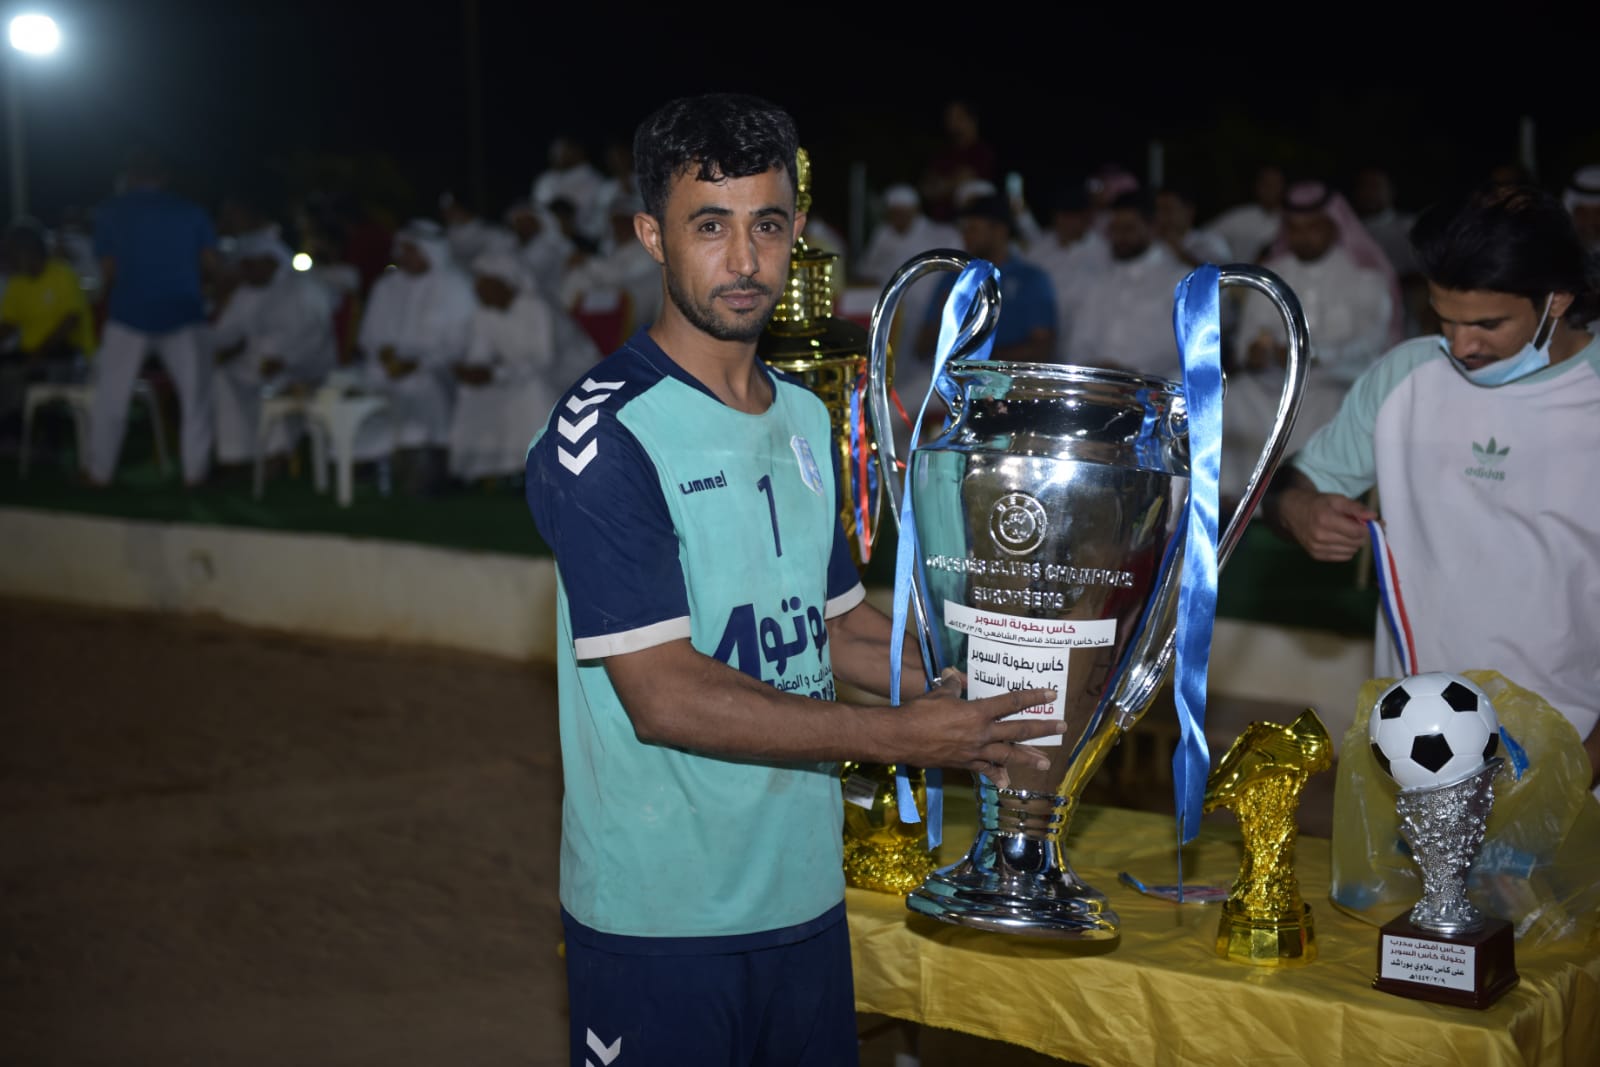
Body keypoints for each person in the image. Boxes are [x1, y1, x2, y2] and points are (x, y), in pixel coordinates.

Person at [523, 93, 1061, 1066]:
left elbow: (839, 627)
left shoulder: (806, 418)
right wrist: (902, 735)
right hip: (662, 919)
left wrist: (1000, 683)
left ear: (798, 230)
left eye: (766, 226)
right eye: (709, 227)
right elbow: (664, 693)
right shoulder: (603, 434)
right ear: (651, 235)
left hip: (804, 900)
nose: (743, 260)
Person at [1263, 183, 1600, 790]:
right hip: (1416, 748)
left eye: (1489, 324)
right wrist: (1300, 508)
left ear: (1557, 299)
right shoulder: (1407, 376)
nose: (1462, 345)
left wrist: (1576, 770)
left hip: (1572, 748)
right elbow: (1286, 487)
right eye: (1446, 320)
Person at [1224, 180, 1396, 498]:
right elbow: (1247, 337)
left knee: (1327, 404)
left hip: (1335, 379)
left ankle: (1313, 499)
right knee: (1234, 397)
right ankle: (1242, 504)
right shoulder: (1270, 275)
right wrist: (1254, 353)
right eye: (1295, 228)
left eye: (1313, 227)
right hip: (1274, 381)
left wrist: (1315, 355)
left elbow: (1372, 342)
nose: (1303, 236)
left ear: (1333, 227)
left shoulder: (1364, 276)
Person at [87, 150, 219, 486]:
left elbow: (108, 270)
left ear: (130, 176)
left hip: (129, 312)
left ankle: (99, 473)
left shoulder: (110, 211)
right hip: (183, 311)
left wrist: (102, 299)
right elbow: (211, 263)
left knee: (111, 397)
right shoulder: (192, 212)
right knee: (196, 399)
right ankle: (195, 474)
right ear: (165, 178)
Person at [352, 220, 475, 488]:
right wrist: (384, 354)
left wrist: (420, 363)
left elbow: (460, 343)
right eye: (403, 250)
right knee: (355, 388)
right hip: (385, 369)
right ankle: (365, 463)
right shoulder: (387, 286)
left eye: (411, 250)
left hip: (437, 370)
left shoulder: (456, 286)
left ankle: (425, 468)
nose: (404, 257)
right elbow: (369, 335)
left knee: (424, 394)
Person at [209, 227, 336, 466]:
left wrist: (286, 361)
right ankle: (237, 454)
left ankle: (278, 454)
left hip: (304, 363)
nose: (245, 272)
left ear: (270, 261)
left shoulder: (302, 287)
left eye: (250, 265)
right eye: (243, 266)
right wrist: (211, 348)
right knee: (223, 377)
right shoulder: (247, 292)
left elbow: (317, 335)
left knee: (272, 384)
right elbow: (227, 332)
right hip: (258, 362)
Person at [915, 193, 1056, 365]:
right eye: (964, 229)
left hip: (1008, 376)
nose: (965, 235)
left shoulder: (1031, 279)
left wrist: (979, 361)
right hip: (954, 375)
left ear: (1000, 231)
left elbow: (1042, 349)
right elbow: (921, 348)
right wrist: (945, 318)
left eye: (973, 228)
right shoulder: (953, 277)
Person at [1066, 190, 1190, 379]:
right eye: (1114, 229)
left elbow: (1182, 349)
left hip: (1155, 386)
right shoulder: (1099, 281)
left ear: (1152, 227)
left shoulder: (1179, 280)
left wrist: (1130, 374)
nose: (1120, 236)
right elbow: (1079, 344)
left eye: (1128, 228)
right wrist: (1092, 370)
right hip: (1098, 384)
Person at [0, 220, 96, 376]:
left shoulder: (63, 274)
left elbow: (71, 321)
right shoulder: (17, 283)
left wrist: (39, 353)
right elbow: (9, 323)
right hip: (32, 356)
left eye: (11, 254)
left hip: (67, 356)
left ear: (28, 252)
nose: (8, 260)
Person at [1203, 163, 1285, 263]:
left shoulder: (1292, 219)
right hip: (1240, 270)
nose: (1270, 189)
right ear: (1257, 186)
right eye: (1266, 184)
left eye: (1275, 184)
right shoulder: (1240, 216)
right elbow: (1205, 236)